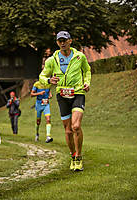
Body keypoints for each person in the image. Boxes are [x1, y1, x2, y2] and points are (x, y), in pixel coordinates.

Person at [39, 31, 91, 171]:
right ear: (57, 43)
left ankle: (79, 157)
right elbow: (42, 76)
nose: (62, 43)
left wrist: (87, 82)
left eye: (65, 40)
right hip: (62, 96)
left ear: (70, 41)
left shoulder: (80, 57)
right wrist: (49, 80)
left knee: (76, 126)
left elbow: (87, 70)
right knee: (68, 131)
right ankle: (73, 156)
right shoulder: (52, 59)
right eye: (59, 40)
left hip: (78, 93)